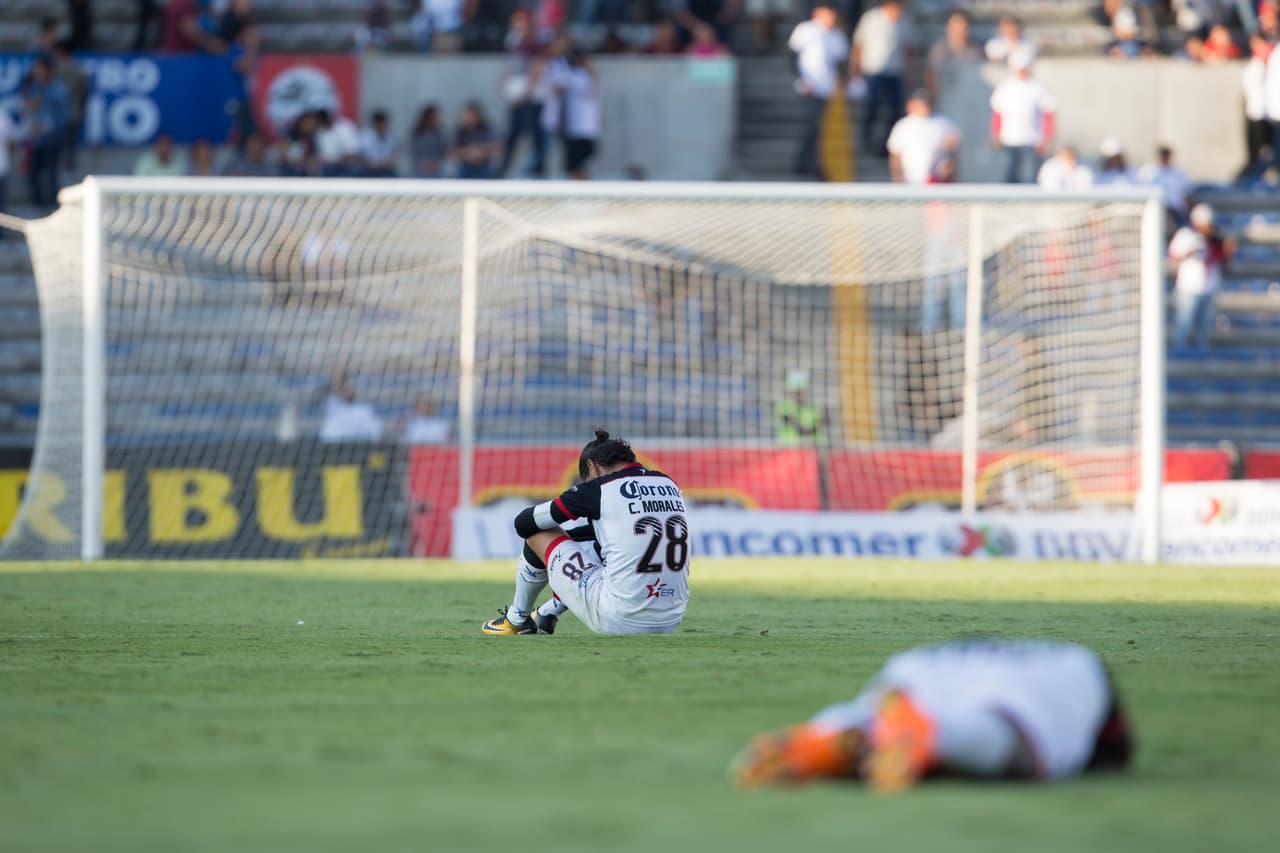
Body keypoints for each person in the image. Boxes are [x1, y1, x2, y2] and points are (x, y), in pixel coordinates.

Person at [731, 639, 1134, 792]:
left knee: (872, 715)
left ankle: (822, 735)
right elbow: (1115, 750)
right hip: (1027, 679)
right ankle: (931, 738)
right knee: (1006, 735)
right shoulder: (1080, 661)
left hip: (925, 663)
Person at [481, 429, 691, 636]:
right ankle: (548, 612)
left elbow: (523, 523)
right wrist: (571, 539)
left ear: (592, 465)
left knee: (538, 535)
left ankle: (517, 619)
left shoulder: (600, 488)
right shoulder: (668, 483)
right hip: (670, 619)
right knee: (603, 546)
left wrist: (562, 537)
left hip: (620, 619)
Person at [788, 4, 848, 178]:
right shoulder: (805, 30)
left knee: (820, 129)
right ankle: (809, 163)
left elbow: (841, 64)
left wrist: (842, 84)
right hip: (809, 87)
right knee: (812, 126)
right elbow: (791, 56)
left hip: (827, 88)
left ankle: (812, 163)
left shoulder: (837, 35)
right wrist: (802, 81)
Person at [1169, 204, 1235, 352]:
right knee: (1184, 324)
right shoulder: (1185, 235)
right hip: (1188, 288)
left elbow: (1226, 267)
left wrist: (1227, 252)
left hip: (1210, 288)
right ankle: (1180, 354)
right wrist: (1189, 252)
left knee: (1206, 327)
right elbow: (1174, 257)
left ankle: (1202, 354)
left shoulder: (1218, 239)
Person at [852, 0, 913, 158]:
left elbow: (907, 50)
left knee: (895, 110)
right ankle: (866, 140)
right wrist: (856, 70)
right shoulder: (871, 18)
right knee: (871, 106)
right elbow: (859, 45)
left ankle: (886, 144)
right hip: (873, 70)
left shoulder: (904, 21)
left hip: (895, 72)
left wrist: (908, 73)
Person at [988, 46, 1055, 184]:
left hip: (1032, 140)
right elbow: (998, 113)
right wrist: (995, 134)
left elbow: (1048, 113)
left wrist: (1046, 139)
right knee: (1010, 176)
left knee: (1032, 177)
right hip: (1008, 140)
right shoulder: (1005, 87)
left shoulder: (1038, 87)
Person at [22, 55, 69, 209]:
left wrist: (45, 127)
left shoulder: (58, 89)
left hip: (52, 140)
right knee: (32, 174)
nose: (36, 71)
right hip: (36, 140)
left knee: (51, 174)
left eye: (39, 67)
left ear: (48, 70)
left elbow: (62, 117)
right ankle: (38, 205)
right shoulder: (34, 87)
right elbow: (28, 110)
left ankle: (54, 206)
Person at [886, 90, 960, 186]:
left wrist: (950, 168)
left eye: (927, 103)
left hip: (938, 181)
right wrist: (898, 179)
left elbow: (953, 149)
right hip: (911, 181)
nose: (925, 107)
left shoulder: (943, 123)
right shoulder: (903, 125)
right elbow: (895, 154)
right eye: (921, 104)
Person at [562, 49, 601, 179]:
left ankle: (582, 180)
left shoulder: (585, 76)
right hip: (577, 125)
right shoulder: (575, 75)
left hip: (587, 125)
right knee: (577, 159)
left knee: (585, 156)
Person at [925, 9, 981, 100]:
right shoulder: (939, 50)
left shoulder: (976, 49)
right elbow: (932, 75)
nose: (960, 29)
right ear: (948, 27)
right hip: (947, 97)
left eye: (964, 25)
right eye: (956, 25)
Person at [52, 41, 88, 178]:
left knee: (57, 150)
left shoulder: (54, 70)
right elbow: (85, 92)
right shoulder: (79, 69)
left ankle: (58, 178)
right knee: (71, 150)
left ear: (60, 52)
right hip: (74, 113)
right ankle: (70, 177)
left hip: (58, 116)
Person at [1241, 32, 1274, 180]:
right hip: (1256, 114)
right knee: (1256, 150)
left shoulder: (1270, 65)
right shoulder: (1254, 67)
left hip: (1269, 115)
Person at [1138, 145, 1192, 227]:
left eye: (1166, 155)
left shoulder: (1179, 173)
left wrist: (1189, 212)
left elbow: (1187, 195)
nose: (1164, 157)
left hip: (1176, 211)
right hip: (1155, 210)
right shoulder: (1148, 171)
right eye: (1162, 155)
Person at [319, 374, 384, 442]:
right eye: (342, 387)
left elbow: (375, 432)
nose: (346, 390)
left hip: (358, 444)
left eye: (348, 386)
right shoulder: (332, 404)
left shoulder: (365, 409)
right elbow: (320, 395)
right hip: (331, 444)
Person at [774, 370, 825, 445]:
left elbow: (819, 425)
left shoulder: (813, 406)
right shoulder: (784, 406)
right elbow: (794, 425)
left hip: (813, 447)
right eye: (796, 392)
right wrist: (809, 430)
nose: (799, 395)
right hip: (790, 447)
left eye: (801, 391)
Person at [452, 101, 499, 179]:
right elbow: (452, 153)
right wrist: (468, 152)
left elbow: (496, 150)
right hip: (465, 166)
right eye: (467, 116)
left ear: (477, 116)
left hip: (483, 166)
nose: (468, 119)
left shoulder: (486, 130)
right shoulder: (460, 132)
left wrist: (480, 152)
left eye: (471, 116)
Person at [410, 104, 448, 178]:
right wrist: (422, 164)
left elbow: (443, 151)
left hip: (436, 169)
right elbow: (413, 151)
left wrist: (434, 163)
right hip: (419, 169)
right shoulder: (417, 133)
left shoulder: (440, 134)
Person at [360, 110, 400, 177]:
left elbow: (396, 154)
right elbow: (363, 156)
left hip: (387, 170)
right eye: (378, 125)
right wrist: (375, 164)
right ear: (374, 124)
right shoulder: (366, 136)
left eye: (383, 124)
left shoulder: (392, 136)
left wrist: (385, 163)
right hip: (369, 170)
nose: (381, 127)